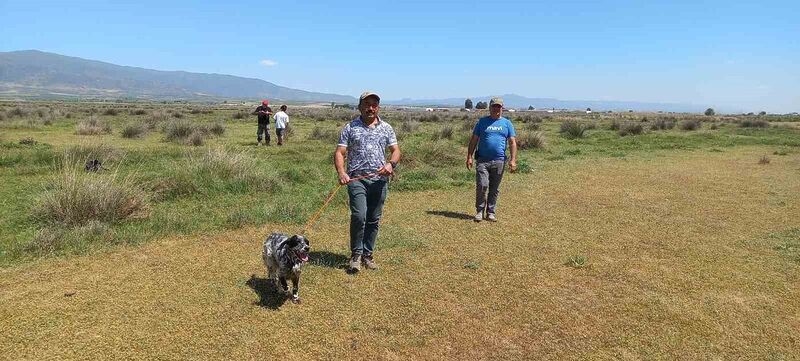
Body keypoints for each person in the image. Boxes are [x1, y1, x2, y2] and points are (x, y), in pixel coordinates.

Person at [334, 91, 400, 272]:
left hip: (380, 181)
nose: (370, 108)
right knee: (359, 216)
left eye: (374, 105)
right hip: (356, 179)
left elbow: (396, 150)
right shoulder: (350, 127)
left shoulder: (387, 128)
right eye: (367, 104)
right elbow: (340, 152)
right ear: (360, 107)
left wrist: (391, 164)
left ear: (378, 108)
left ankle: (368, 255)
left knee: (373, 219)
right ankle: (355, 255)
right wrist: (341, 172)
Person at [466, 97, 517, 222]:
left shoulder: (507, 123)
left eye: (499, 106)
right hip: (483, 160)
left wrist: (513, 160)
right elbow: (474, 140)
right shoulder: (482, 122)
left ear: (502, 108)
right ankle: (479, 211)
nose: (496, 109)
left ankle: (490, 212)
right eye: (494, 106)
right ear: (490, 107)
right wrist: (469, 157)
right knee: (482, 185)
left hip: (499, 161)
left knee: (494, 188)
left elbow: (512, 142)